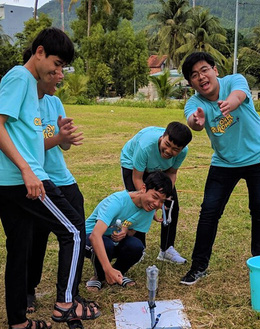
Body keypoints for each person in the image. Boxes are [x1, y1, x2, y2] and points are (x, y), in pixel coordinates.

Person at [0, 27, 99, 329]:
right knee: (74, 232)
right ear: (39, 52)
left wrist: (58, 138)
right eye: (57, 64)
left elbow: (21, 135)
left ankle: (18, 322)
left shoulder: (30, 85)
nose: (59, 71)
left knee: (19, 250)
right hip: (23, 181)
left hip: (11, 182)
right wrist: (27, 170)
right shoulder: (20, 77)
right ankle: (66, 304)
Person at [181, 52, 260, 285]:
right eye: (194, 75)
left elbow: (238, 95)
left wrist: (228, 104)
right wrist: (197, 122)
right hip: (224, 161)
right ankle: (198, 266)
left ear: (215, 70)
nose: (201, 77)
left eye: (204, 70)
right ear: (191, 83)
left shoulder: (234, 81)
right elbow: (192, 121)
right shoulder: (194, 103)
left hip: (259, 158)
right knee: (209, 212)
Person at [25, 49, 85, 314]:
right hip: (39, 181)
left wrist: (66, 140)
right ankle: (28, 289)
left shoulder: (54, 102)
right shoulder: (25, 101)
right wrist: (58, 139)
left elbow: (63, 148)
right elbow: (29, 145)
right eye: (56, 69)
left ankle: (72, 291)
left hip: (64, 179)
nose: (59, 76)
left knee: (76, 234)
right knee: (35, 240)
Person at [85, 171, 173, 291]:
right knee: (107, 245)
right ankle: (99, 276)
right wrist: (107, 268)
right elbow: (95, 236)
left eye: (162, 201)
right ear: (143, 188)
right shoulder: (117, 201)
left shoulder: (149, 209)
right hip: (88, 237)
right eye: (155, 197)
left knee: (137, 246)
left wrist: (125, 231)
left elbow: (132, 231)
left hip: (111, 239)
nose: (157, 204)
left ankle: (118, 273)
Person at [120, 121, 192, 264]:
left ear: (182, 148)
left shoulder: (183, 152)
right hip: (133, 165)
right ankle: (138, 248)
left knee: (171, 204)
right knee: (139, 204)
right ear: (163, 136)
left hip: (161, 168)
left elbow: (172, 172)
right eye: (167, 144)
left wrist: (164, 198)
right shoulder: (145, 146)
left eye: (175, 149)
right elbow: (137, 177)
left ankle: (166, 249)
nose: (169, 151)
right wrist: (149, 202)